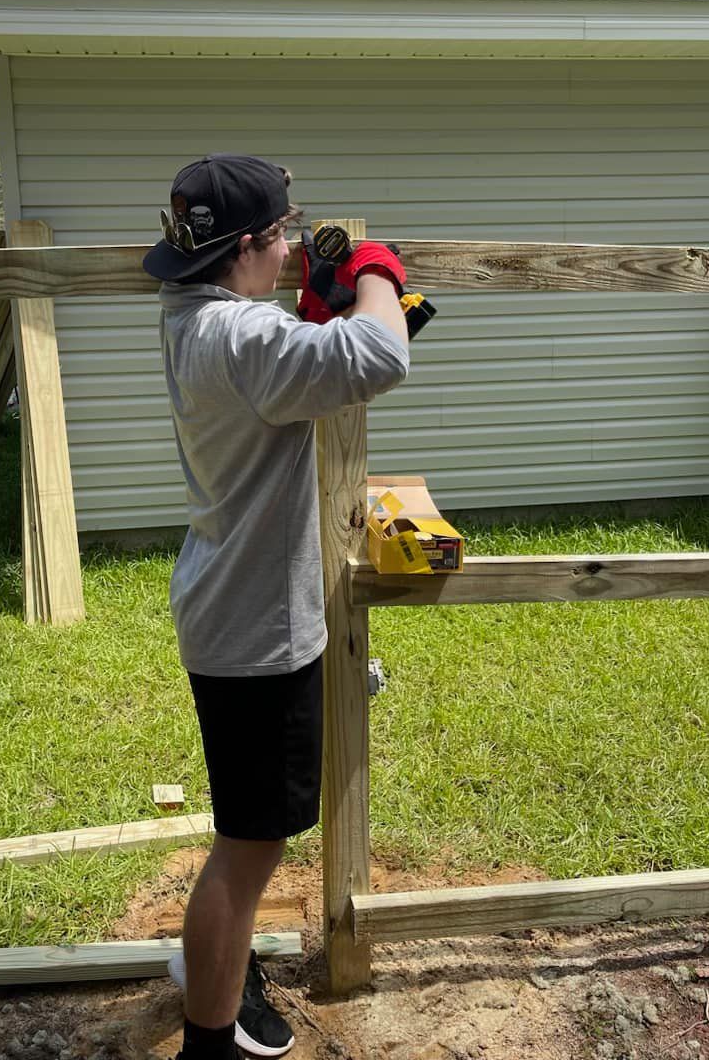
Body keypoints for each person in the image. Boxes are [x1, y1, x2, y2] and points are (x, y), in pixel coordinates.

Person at [143, 153, 410, 1060]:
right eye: (286, 235)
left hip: (228, 609)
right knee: (249, 847)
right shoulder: (239, 339)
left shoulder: (192, 317)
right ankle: (209, 1040)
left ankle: (220, 970)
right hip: (258, 633)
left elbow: (282, 365)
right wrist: (375, 269)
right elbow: (380, 352)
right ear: (250, 246)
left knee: (247, 834)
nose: (296, 247)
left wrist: (307, 313)